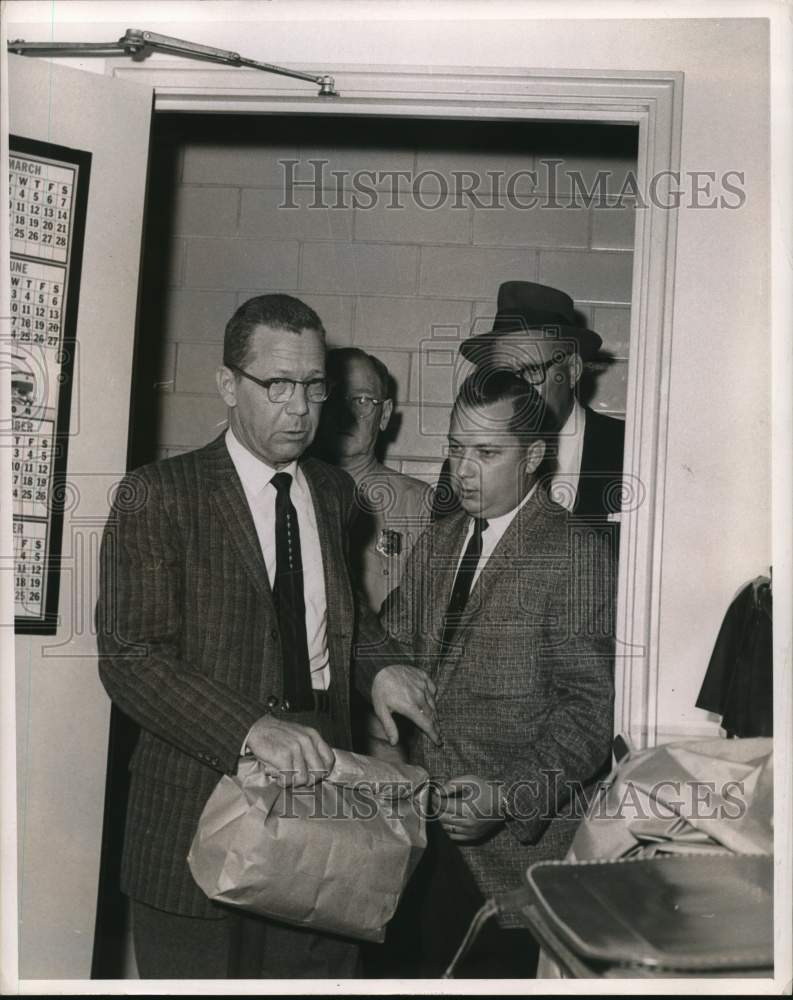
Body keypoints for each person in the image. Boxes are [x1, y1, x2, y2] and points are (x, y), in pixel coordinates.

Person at [95, 294, 439, 980]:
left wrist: (380, 669)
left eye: (314, 387)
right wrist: (250, 728)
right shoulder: (160, 494)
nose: (299, 408)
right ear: (228, 384)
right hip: (199, 796)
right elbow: (131, 657)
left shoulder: (336, 492)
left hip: (321, 801)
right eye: (276, 384)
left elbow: (339, 621)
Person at [384, 369, 616, 977]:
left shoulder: (575, 552)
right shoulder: (436, 543)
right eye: (456, 448)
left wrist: (511, 797)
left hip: (512, 857)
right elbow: (385, 645)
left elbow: (588, 713)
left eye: (486, 453)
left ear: (534, 457)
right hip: (417, 841)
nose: (463, 469)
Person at [432, 280, 625, 522]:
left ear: (573, 370)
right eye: (504, 374)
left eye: (531, 371)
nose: (518, 388)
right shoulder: (464, 471)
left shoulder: (628, 452)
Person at [316, 347, 432, 614]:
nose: (347, 412)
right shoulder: (289, 491)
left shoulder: (419, 505)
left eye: (363, 400)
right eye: (335, 397)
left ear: (386, 414)